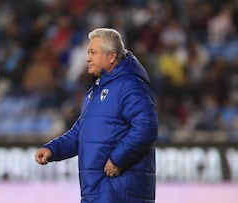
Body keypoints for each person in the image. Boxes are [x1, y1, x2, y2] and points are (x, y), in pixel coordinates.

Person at [35, 28, 158, 203]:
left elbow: (146, 127)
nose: (87, 58)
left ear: (111, 56)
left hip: (120, 192)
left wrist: (118, 159)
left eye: (93, 53)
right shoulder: (93, 94)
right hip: (97, 191)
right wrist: (52, 150)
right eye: (88, 53)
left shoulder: (130, 86)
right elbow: (80, 134)